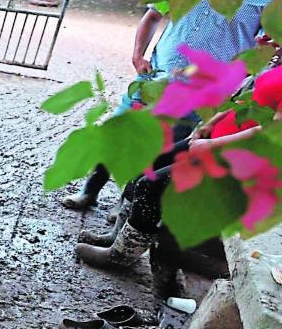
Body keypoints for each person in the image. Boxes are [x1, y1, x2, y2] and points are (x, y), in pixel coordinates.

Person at [62, 0, 282, 210]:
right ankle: (90, 190)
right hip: (157, 75)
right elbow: (153, 15)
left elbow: (272, 40)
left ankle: (125, 205)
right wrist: (138, 55)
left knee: (162, 151)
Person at [76, 65, 282, 270]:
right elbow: (250, 100)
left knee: (150, 186)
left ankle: (121, 255)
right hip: (213, 137)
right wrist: (211, 122)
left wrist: (213, 144)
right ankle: (118, 237)